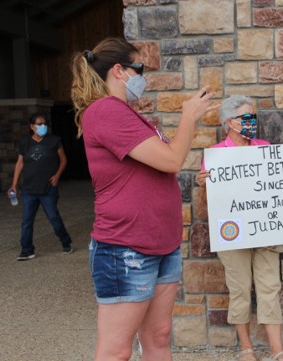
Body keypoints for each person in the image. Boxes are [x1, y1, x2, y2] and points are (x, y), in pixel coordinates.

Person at [70, 37, 216, 361]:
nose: (143, 77)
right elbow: (172, 160)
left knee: (158, 337)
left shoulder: (128, 113)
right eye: (139, 69)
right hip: (126, 248)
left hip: (160, 245)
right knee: (116, 351)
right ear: (119, 71)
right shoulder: (106, 110)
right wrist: (189, 117)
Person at [196, 95, 283, 361]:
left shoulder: (265, 148)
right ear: (229, 123)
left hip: (268, 233)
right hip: (234, 238)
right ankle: (246, 348)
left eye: (252, 116)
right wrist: (204, 185)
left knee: (269, 288)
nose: (251, 122)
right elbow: (211, 204)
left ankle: (277, 350)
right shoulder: (216, 157)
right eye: (246, 117)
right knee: (240, 289)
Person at [9, 112, 73, 261]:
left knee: (53, 217)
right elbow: (20, 163)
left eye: (44, 124)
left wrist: (57, 176)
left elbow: (63, 160)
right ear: (32, 126)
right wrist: (13, 185)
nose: (43, 126)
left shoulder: (54, 140)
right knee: (27, 221)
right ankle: (26, 250)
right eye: (39, 124)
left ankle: (66, 241)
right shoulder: (25, 142)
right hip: (29, 189)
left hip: (48, 188)